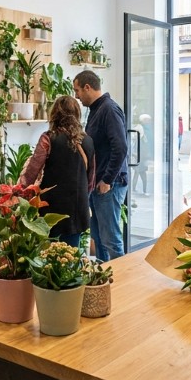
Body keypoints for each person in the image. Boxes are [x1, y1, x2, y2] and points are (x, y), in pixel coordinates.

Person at [18, 95, 96, 249]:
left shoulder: (48, 138)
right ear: (77, 114)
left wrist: (20, 191)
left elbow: (33, 169)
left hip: (51, 206)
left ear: (55, 114)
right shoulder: (88, 140)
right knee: (72, 254)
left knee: (49, 254)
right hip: (77, 207)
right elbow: (91, 179)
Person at [73, 70, 128, 260]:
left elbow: (120, 147)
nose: (76, 96)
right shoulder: (97, 109)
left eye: (77, 90)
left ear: (88, 87)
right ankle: (105, 282)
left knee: (111, 240)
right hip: (98, 185)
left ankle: (122, 284)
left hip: (108, 185)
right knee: (99, 238)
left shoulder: (109, 110)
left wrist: (107, 179)